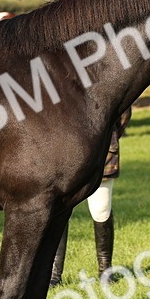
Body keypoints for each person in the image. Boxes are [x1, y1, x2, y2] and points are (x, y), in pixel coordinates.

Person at [50, 108, 131, 286]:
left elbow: (124, 112)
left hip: (104, 150)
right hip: (65, 152)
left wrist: (111, 136)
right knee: (59, 210)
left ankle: (105, 271)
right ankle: (54, 274)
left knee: (101, 210)